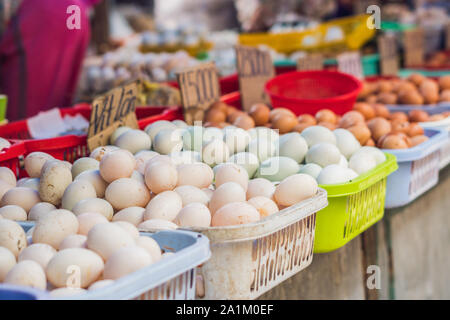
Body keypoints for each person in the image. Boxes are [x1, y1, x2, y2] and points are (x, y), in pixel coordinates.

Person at [0, 0, 100, 121]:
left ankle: (21, 131)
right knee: (61, 79)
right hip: (74, 12)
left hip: (50, 11)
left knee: (27, 90)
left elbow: (8, 45)